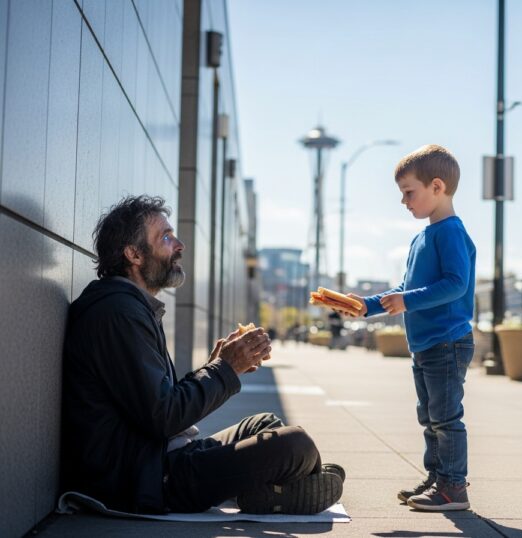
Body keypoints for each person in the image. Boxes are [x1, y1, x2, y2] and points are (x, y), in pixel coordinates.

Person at [61, 195, 343, 514]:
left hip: (160, 458)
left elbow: (156, 404)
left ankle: (275, 491)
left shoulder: (130, 307)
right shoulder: (118, 314)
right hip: (146, 478)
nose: (179, 245)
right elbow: (164, 417)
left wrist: (216, 366)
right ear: (134, 254)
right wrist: (225, 369)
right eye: (166, 237)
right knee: (296, 445)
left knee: (264, 423)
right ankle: (278, 490)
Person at [348, 144, 476, 511]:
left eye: (409, 192)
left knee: (447, 417)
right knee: (430, 417)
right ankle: (437, 477)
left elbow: (456, 283)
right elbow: (404, 289)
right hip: (427, 344)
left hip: (448, 341)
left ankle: (453, 487)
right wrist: (367, 305)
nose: (404, 202)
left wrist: (408, 301)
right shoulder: (423, 236)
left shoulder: (450, 231)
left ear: (437, 187)